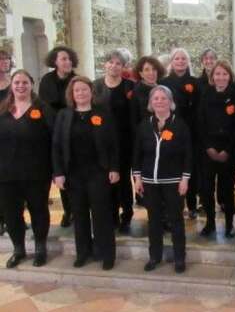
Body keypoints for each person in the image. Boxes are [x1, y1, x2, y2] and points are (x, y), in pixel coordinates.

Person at [53, 76, 119, 270]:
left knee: (101, 215)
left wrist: (114, 168)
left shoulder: (103, 113)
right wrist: (58, 173)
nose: (80, 93)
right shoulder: (64, 115)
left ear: (91, 92)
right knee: (79, 215)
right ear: (71, 95)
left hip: (98, 172)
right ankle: (83, 252)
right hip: (73, 174)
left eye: (84, 89)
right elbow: (56, 146)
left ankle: (106, 254)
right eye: (77, 91)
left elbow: (114, 144)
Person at [132, 86, 191, 273]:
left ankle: (179, 258)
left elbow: (188, 155)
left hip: (173, 180)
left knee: (176, 220)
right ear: (151, 103)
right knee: (154, 220)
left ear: (170, 101)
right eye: (155, 98)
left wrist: (185, 179)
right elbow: (137, 154)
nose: (159, 101)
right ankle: (154, 256)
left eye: (163, 98)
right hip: (150, 181)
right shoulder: (144, 125)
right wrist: (137, 178)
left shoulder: (180, 125)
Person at [0, 70, 54, 268]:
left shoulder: (43, 109)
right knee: (11, 213)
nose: (20, 86)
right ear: (11, 86)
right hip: (6, 174)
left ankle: (40, 248)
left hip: (37, 173)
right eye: (17, 82)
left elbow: (54, 141)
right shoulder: (3, 110)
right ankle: (18, 249)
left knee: (38, 210)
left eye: (25, 82)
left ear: (32, 85)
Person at [198, 60, 235, 237]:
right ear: (212, 76)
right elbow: (200, 122)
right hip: (208, 149)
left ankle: (229, 224)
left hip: (228, 150)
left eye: (224, 74)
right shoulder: (205, 93)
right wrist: (208, 147)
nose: (221, 77)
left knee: (227, 189)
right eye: (217, 74)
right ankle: (209, 222)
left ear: (230, 75)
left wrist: (227, 150)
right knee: (206, 188)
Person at [94, 50, 135, 234]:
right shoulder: (95, 86)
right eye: (111, 62)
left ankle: (126, 215)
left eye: (118, 63)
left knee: (124, 180)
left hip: (124, 140)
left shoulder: (130, 86)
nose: (114, 66)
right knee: (105, 179)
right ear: (105, 64)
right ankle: (111, 215)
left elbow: (134, 115)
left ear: (123, 67)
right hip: (102, 141)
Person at [39, 46, 78, 228]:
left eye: (69, 59)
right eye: (63, 59)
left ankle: (76, 210)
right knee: (60, 171)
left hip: (72, 130)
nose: (67, 62)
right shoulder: (47, 80)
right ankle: (68, 210)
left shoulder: (76, 80)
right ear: (55, 61)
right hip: (53, 129)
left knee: (73, 171)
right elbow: (46, 106)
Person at [160, 48, 200, 219]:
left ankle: (192, 204)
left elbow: (199, 107)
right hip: (171, 127)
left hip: (192, 129)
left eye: (184, 58)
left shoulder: (195, 82)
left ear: (188, 62)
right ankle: (174, 206)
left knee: (190, 167)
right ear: (172, 62)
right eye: (177, 59)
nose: (181, 61)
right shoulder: (164, 82)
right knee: (172, 167)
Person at [130, 56, 166, 129]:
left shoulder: (164, 88)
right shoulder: (137, 92)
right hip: (147, 134)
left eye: (154, 69)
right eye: (146, 70)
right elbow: (134, 120)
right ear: (141, 74)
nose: (151, 73)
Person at [0, 49, 13, 235]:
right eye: (1, 59)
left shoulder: (15, 82)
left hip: (12, 134)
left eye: (6, 59)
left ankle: (13, 218)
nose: (4, 62)